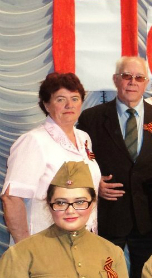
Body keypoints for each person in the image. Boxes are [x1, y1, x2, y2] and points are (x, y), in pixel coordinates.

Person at [77, 56, 152, 278]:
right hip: (109, 216)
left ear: (146, 83)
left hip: (151, 218)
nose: (132, 82)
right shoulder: (91, 118)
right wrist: (95, 184)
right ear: (115, 80)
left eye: (139, 77)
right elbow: (80, 162)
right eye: (126, 76)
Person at [1, 72, 101, 244]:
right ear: (46, 105)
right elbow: (11, 198)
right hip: (44, 242)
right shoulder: (33, 141)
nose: (69, 105)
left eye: (75, 98)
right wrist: (26, 248)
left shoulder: (83, 138)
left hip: (83, 238)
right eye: (60, 99)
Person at [0, 161, 130, 278]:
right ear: (49, 205)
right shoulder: (21, 254)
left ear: (93, 204)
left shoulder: (112, 253)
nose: (70, 211)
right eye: (61, 203)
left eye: (80, 202)